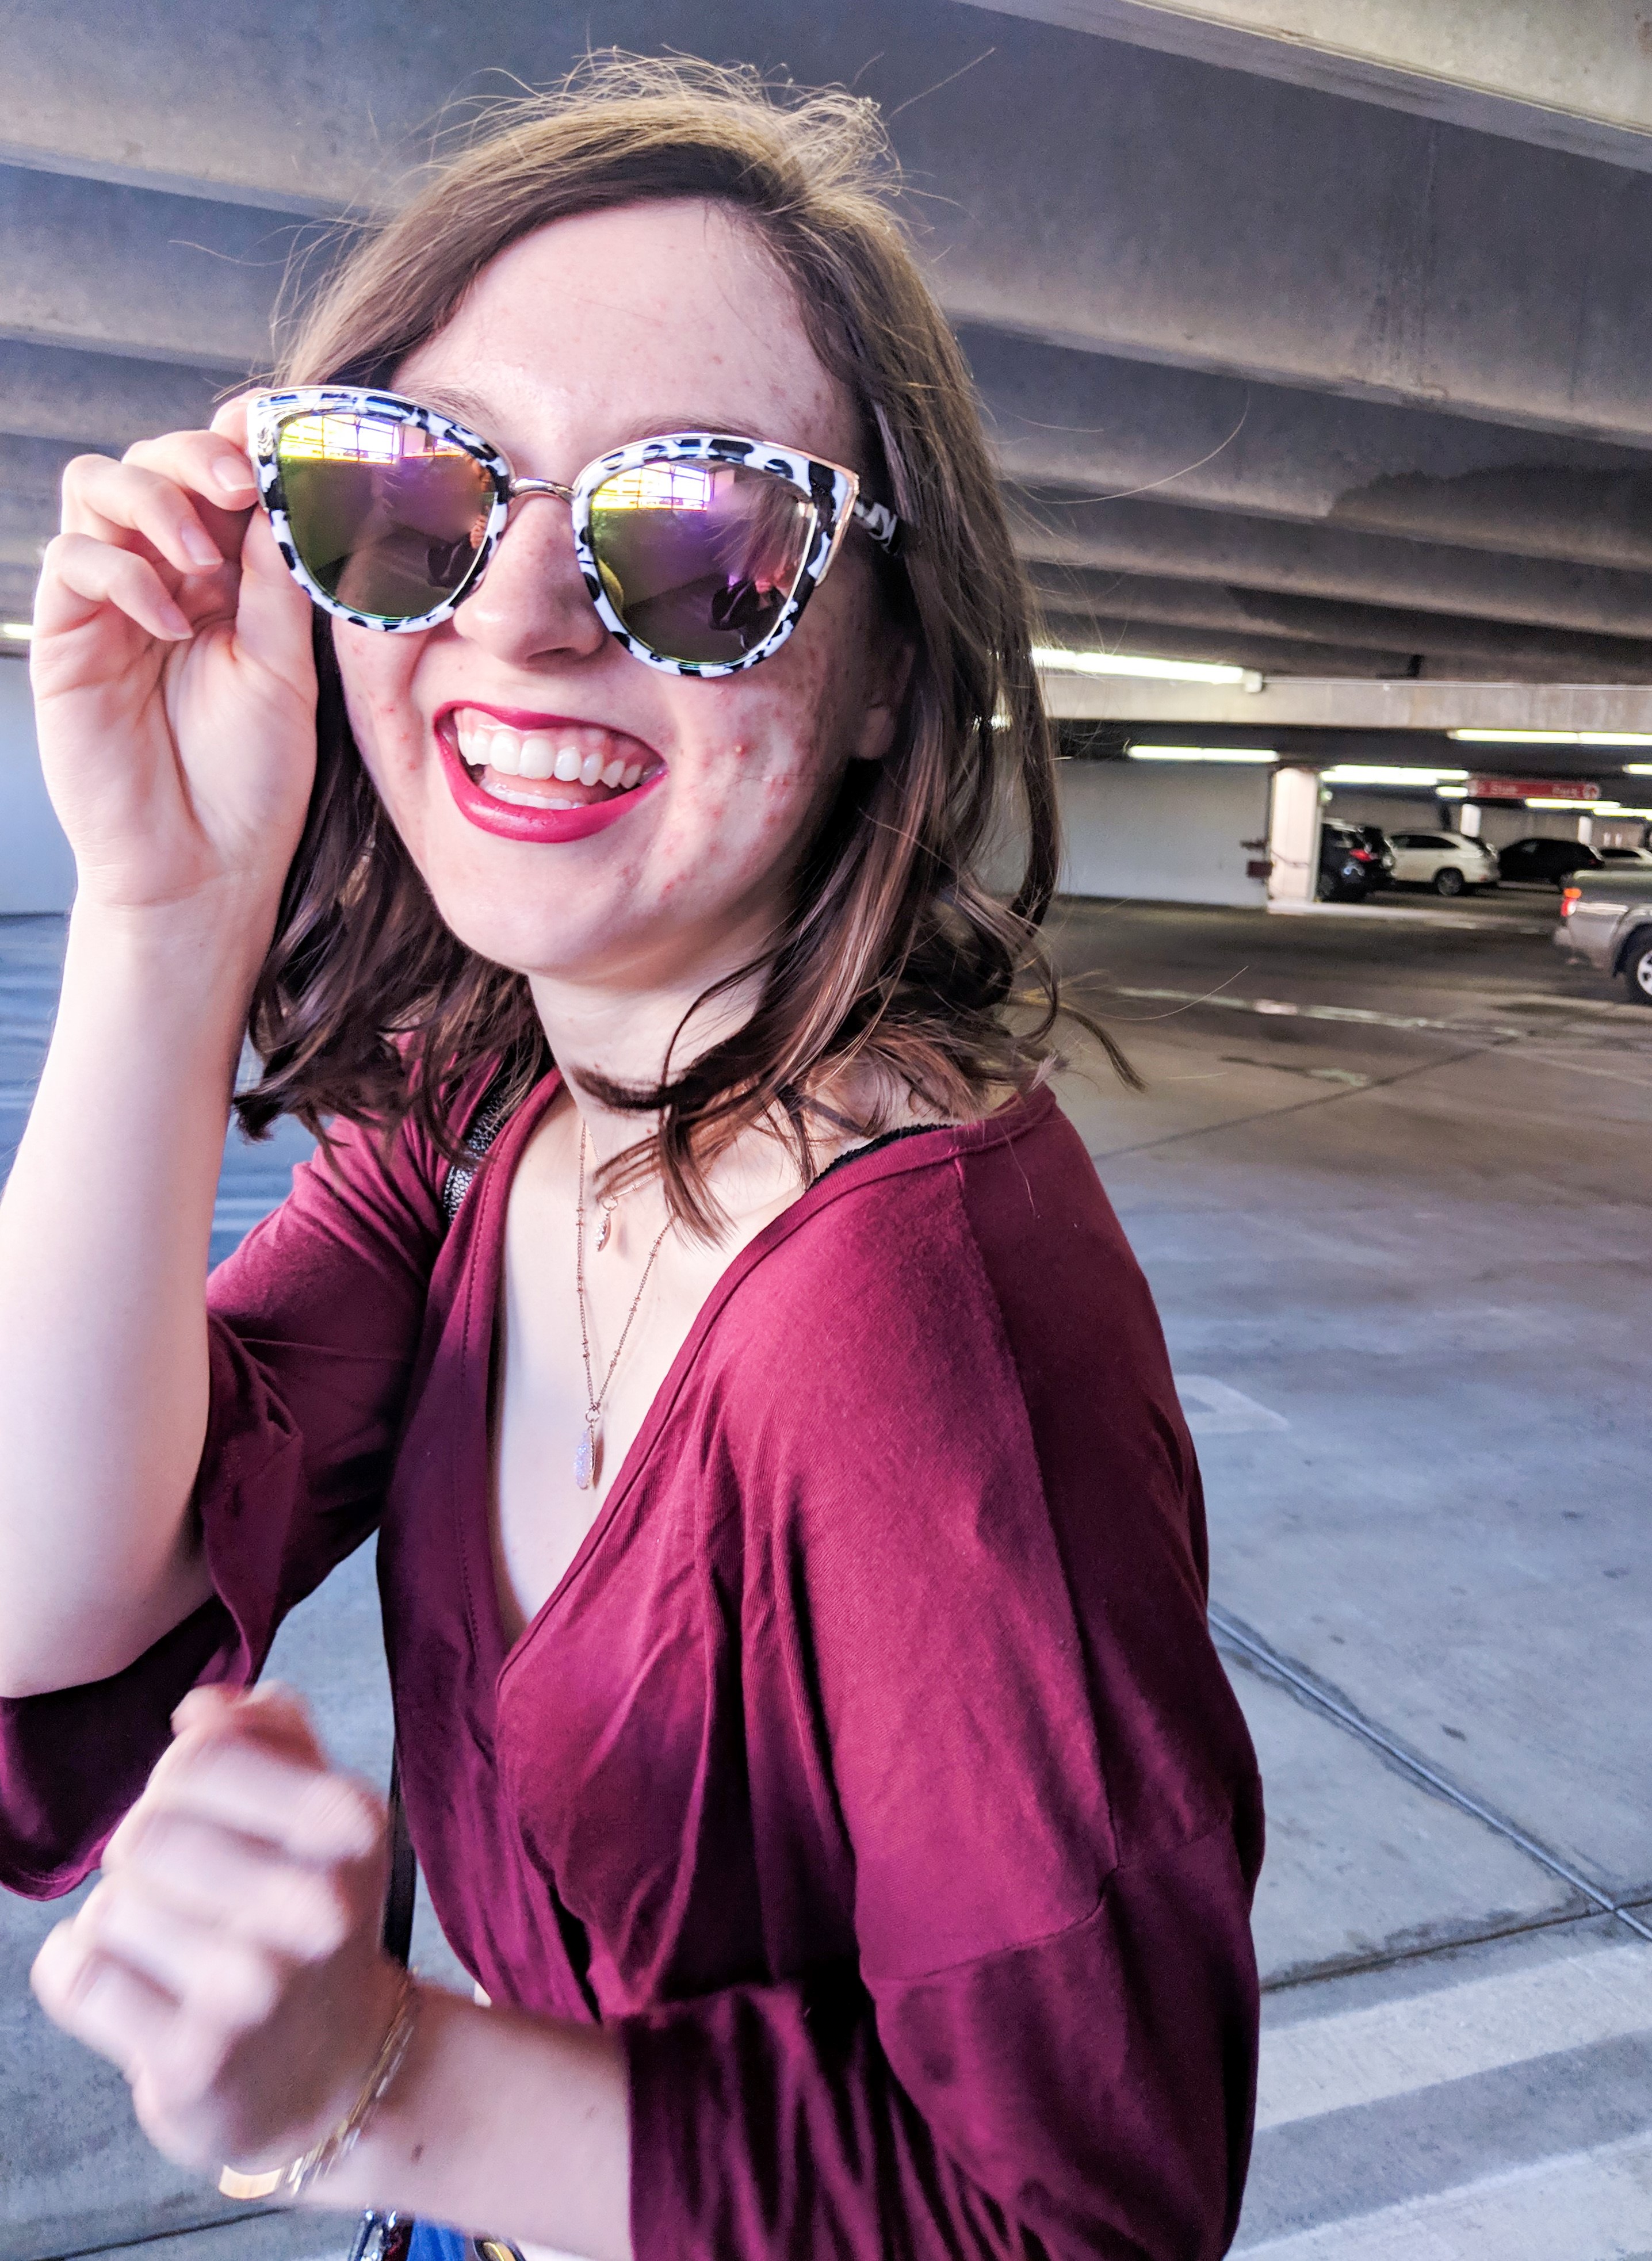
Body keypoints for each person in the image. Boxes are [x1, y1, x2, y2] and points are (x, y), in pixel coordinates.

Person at [0, 58, 1262, 2261]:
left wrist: (385, 2080)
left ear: (889, 671)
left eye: (697, 536)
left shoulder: (918, 1325)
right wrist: (168, 912)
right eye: (417, 495)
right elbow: (51, 1601)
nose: (514, 617)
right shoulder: (483, 1110)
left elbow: (1075, 2216)